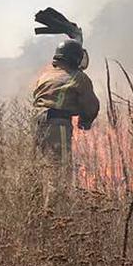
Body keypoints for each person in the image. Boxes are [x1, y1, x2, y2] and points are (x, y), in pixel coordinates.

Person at [31, 39, 100, 171]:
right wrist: (85, 122)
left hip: (36, 121)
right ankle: (60, 192)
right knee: (60, 168)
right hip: (57, 124)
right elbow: (91, 106)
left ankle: (36, 191)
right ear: (75, 59)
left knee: (39, 166)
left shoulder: (46, 75)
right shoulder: (78, 77)